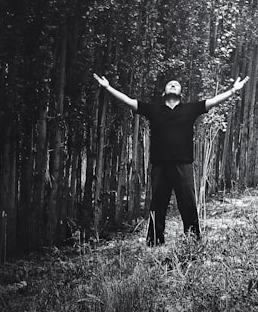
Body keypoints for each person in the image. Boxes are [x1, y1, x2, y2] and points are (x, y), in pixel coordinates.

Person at [93, 72, 250, 246]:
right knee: (157, 205)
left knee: (188, 204)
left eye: (176, 84)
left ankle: (192, 241)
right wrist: (108, 88)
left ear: (181, 93)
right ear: (164, 92)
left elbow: (213, 101)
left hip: (184, 164)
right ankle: (154, 242)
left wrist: (233, 91)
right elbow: (129, 101)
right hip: (160, 165)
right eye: (170, 84)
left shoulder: (190, 109)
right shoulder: (154, 110)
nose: (173, 84)